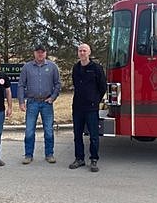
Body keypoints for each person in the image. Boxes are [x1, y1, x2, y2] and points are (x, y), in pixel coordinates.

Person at [17, 44, 61, 165]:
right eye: (38, 52)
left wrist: (53, 98)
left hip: (47, 103)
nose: (40, 54)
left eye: (42, 52)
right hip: (32, 102)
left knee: (48, 130)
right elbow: (21, 85)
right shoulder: (27, 67)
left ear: (45, 53)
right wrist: (21, 101)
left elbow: (57, 84)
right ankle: (28, 155)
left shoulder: (52, 67)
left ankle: (49, 154)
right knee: (29, 130)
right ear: (34, 53)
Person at [69, 43, 106, 172]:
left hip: (91, 108)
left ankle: (94, 159)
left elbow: (103, 87)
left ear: (89, 52)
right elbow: (75, 84)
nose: (82, 53)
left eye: (84, 51)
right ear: (78, 53)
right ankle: (79, 159)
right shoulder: (75, 68)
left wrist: (95, 100)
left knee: (94, 135)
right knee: (77, 135)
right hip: (78, 107)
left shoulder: (96, 68)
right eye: (80, 51)